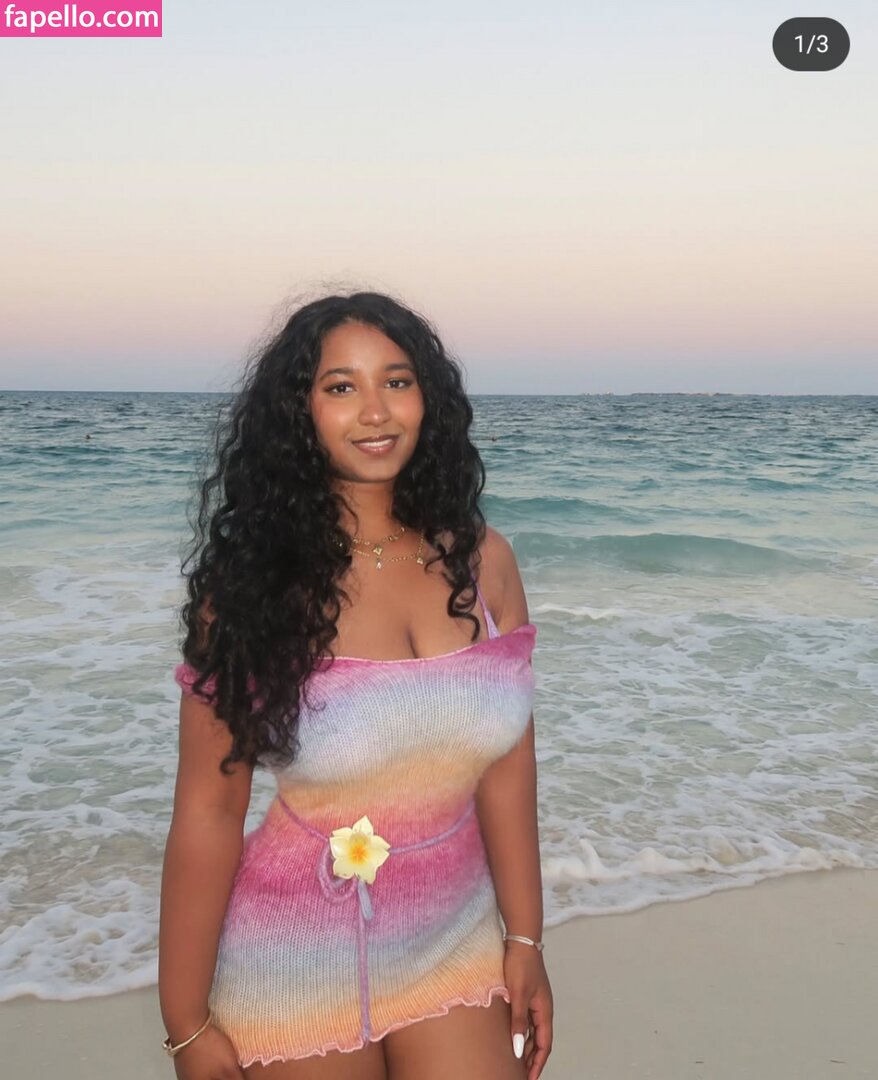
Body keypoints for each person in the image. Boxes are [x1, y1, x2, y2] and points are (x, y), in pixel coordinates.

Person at [158, 291, 553, 1080]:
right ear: (298, 412)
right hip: (294, 955)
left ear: (427, 398)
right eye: (341, 386)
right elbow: (209, 809)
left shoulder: (485, 562)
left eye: (396, 381)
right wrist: (186, 1024)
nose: (376, 411)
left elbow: (507, 763)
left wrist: (525, 937)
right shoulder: (252, 590)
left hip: (454, 935)